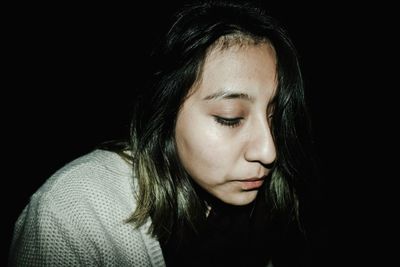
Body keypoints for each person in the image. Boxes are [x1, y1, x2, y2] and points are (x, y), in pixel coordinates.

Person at [9, 0, 321, 266]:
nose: (269, 152)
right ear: (164, 111)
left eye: (274, 116)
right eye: (231, 118)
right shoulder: (74, 211)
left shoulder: (265, 205)